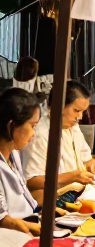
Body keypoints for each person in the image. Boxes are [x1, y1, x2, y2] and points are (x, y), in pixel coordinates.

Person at [23, 79, 95, 201]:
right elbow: (31, 181)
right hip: (56, 197)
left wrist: (91, 165)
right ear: (59, 106)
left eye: (83, 112)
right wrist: (73, 176)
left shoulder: (73, 127)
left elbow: (87, 158)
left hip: (80, 192)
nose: (80, 117)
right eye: (76, 111)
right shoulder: (40, 134)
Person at [0, 88, 43, 235]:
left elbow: (26, 200)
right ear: (11, 125)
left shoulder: (14, 154)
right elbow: (4, 221)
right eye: (32, 126)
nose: (34, 133)